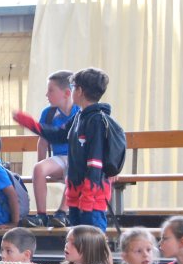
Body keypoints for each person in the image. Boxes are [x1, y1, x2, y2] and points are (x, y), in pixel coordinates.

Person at [14, 67, 121, 232]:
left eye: (74, 87)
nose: (72, 91)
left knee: (93, 238)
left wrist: (89, 194)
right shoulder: (80, 117)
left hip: (91, 195)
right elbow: (58, 134)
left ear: (80, 91)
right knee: (78, 236)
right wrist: (32, 125)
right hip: (78, 192)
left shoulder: (96, 121)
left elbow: (95, 159)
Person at [23, 70, 79, 228]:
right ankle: (41, 215)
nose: (46, 94)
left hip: (78, 158)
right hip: (59, 158)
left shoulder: (80, 111)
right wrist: (41, 169)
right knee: (38, 168)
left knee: (74, 168)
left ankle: (62, 213)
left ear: (67, 93)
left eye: (51, 90)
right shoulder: (48, 113)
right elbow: (43, 141)